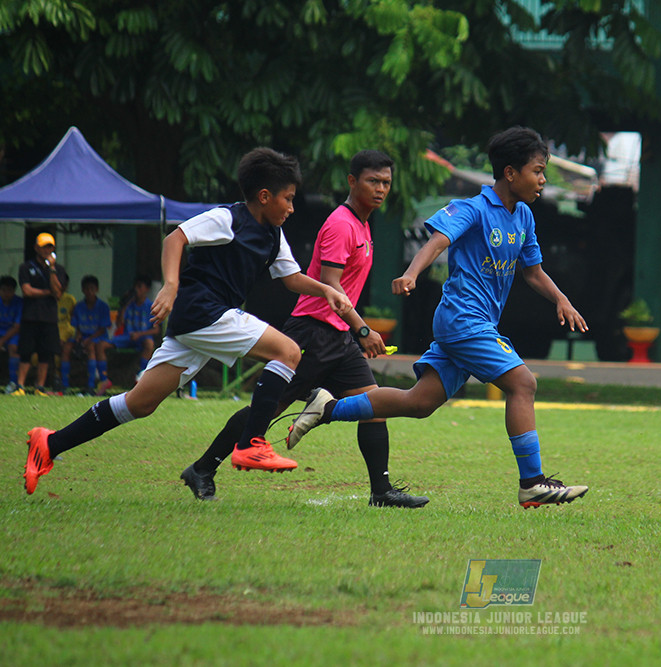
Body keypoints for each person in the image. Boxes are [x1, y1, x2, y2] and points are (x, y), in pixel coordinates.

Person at [286, 127, 590, 509]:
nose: (543, 180)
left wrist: (561, 299)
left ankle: (326, 408)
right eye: (538, 170)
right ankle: (532, 483)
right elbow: (438, 241)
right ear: (510, 173)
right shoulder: (472, 208)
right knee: (523, 384)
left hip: (475, 324)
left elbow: (533, 272)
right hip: (463, 320)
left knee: (420, 403)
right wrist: (412, 274)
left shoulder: (524, 217)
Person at [22, 147, 353, 495]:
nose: (291, 207)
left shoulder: (273, 235)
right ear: (264, 196)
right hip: (202, 311)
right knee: (287, 352)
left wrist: (326, 291)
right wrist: (170, 284)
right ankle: (251, 443)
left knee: (139, 403)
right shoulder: (229, 219)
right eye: (288, 199)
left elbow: (291, 278)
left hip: (201, 322)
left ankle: (50, 444)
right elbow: (175, 237)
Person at [181, 149, 428, 508]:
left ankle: (381, 491)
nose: (381, 189)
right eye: (373, 181)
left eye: (386, 183)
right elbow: (331, 284)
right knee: (267, 410)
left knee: (372, 405)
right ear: (351, 181)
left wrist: (352, 332)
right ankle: (203, 469)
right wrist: (362, 330)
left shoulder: (362, 224)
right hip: (312, 332)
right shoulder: (342, 224)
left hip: (337, 336)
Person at [13, 232, 68, 396]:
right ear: (36, 247)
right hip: (30, 316)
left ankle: (40, 387)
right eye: (44, 246)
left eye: (49, 246)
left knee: (46, 353)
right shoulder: (26, 267)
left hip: (49, 318)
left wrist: (51, 269)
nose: (46, 249)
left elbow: (58, 293)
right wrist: (46, 292)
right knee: (25, 352)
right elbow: (27, 290)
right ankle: (20, 386)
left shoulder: (58, 269)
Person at [106, 275, 159, 391]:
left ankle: (141, 377)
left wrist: (140, 335)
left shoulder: (150, 307)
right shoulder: (129, 305)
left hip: (141, 338)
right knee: (101, 345)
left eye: (140, 287)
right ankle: (102, 379)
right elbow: (119, 324)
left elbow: (156, 329)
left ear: (147, 289)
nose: (137, 290)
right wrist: (125, 305)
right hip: (127, 337)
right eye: (136, 287)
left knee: (149, 344)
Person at [60, 275, 113, 393]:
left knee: (91, 348)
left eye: (92, 289)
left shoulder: (103, 306)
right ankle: (64, 384)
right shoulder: (78, 306)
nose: (89, 292)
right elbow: (76, 325)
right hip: (82, 337)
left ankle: (91, 384)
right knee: (66, 348)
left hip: (97, 337)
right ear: (82, 290)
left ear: (97, 289)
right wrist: (78, 335)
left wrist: (89, 339)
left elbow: (102, 328)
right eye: (86, 289)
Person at [0, 275, 22, 393]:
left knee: (14, 347)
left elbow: (17, 327)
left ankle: (13, 383)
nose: (6, 293)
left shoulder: (19, 303)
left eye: (9, 290)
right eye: (3, 290)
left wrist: (2, 341)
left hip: (12, 334)